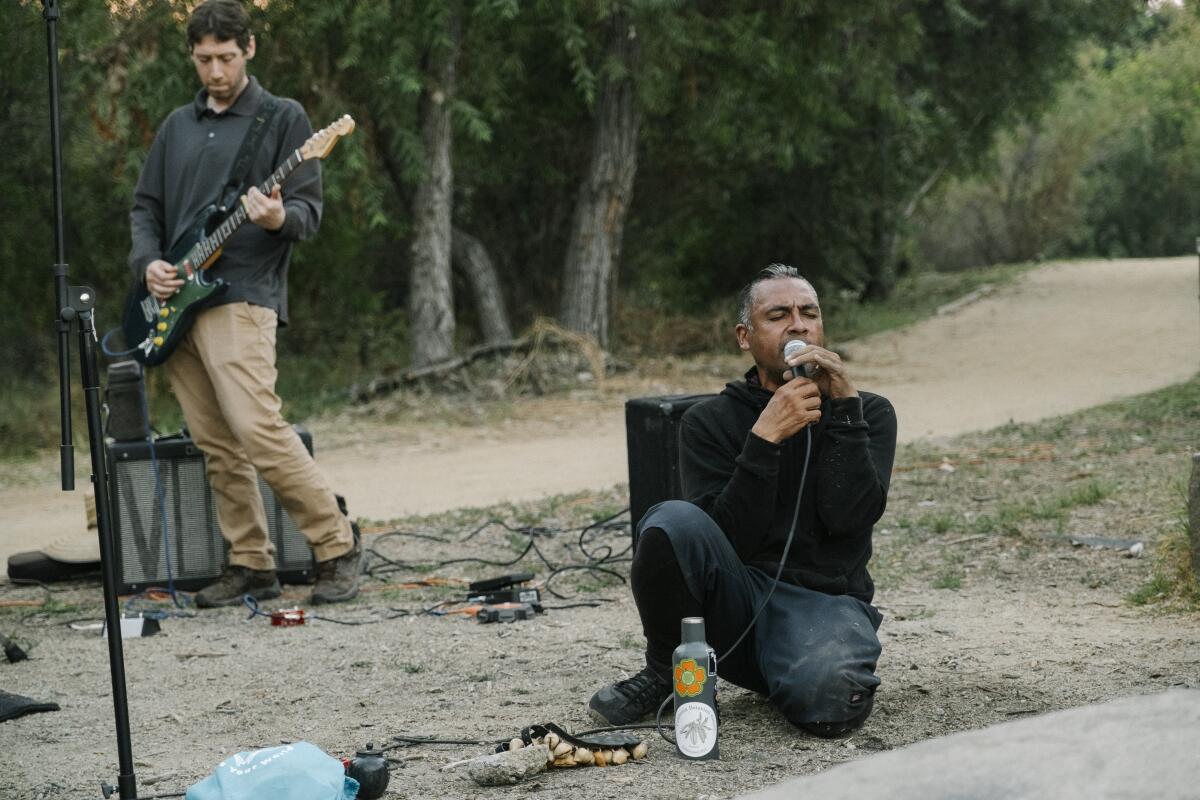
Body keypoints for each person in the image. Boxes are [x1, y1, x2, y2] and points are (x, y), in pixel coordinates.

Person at [589, 264, 897, 737]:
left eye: (809, 313)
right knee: (671, 520)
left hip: (823, 608)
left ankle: (796, 668)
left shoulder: (868, 411)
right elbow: (727, 537)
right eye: (778, 315)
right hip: (738, 598)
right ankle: (668, 672)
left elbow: (850, 517)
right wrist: (765, 439)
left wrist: (846, 413)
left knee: (832, 709)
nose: (798, 324)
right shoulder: (708, 421)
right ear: (744, 336)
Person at [128, 0, 360, 608]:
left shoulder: (285, 119)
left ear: (249, 50)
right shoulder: (177, 126)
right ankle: (251, 562)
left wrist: (279, 214)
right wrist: (147, 263)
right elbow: (145, 208)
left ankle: (336, 544)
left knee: (258, 427)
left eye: (226, 58)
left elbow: (307, 215)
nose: (215, 72)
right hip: (177, 301)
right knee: (214, 442)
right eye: (204, 59)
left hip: (244, 292)